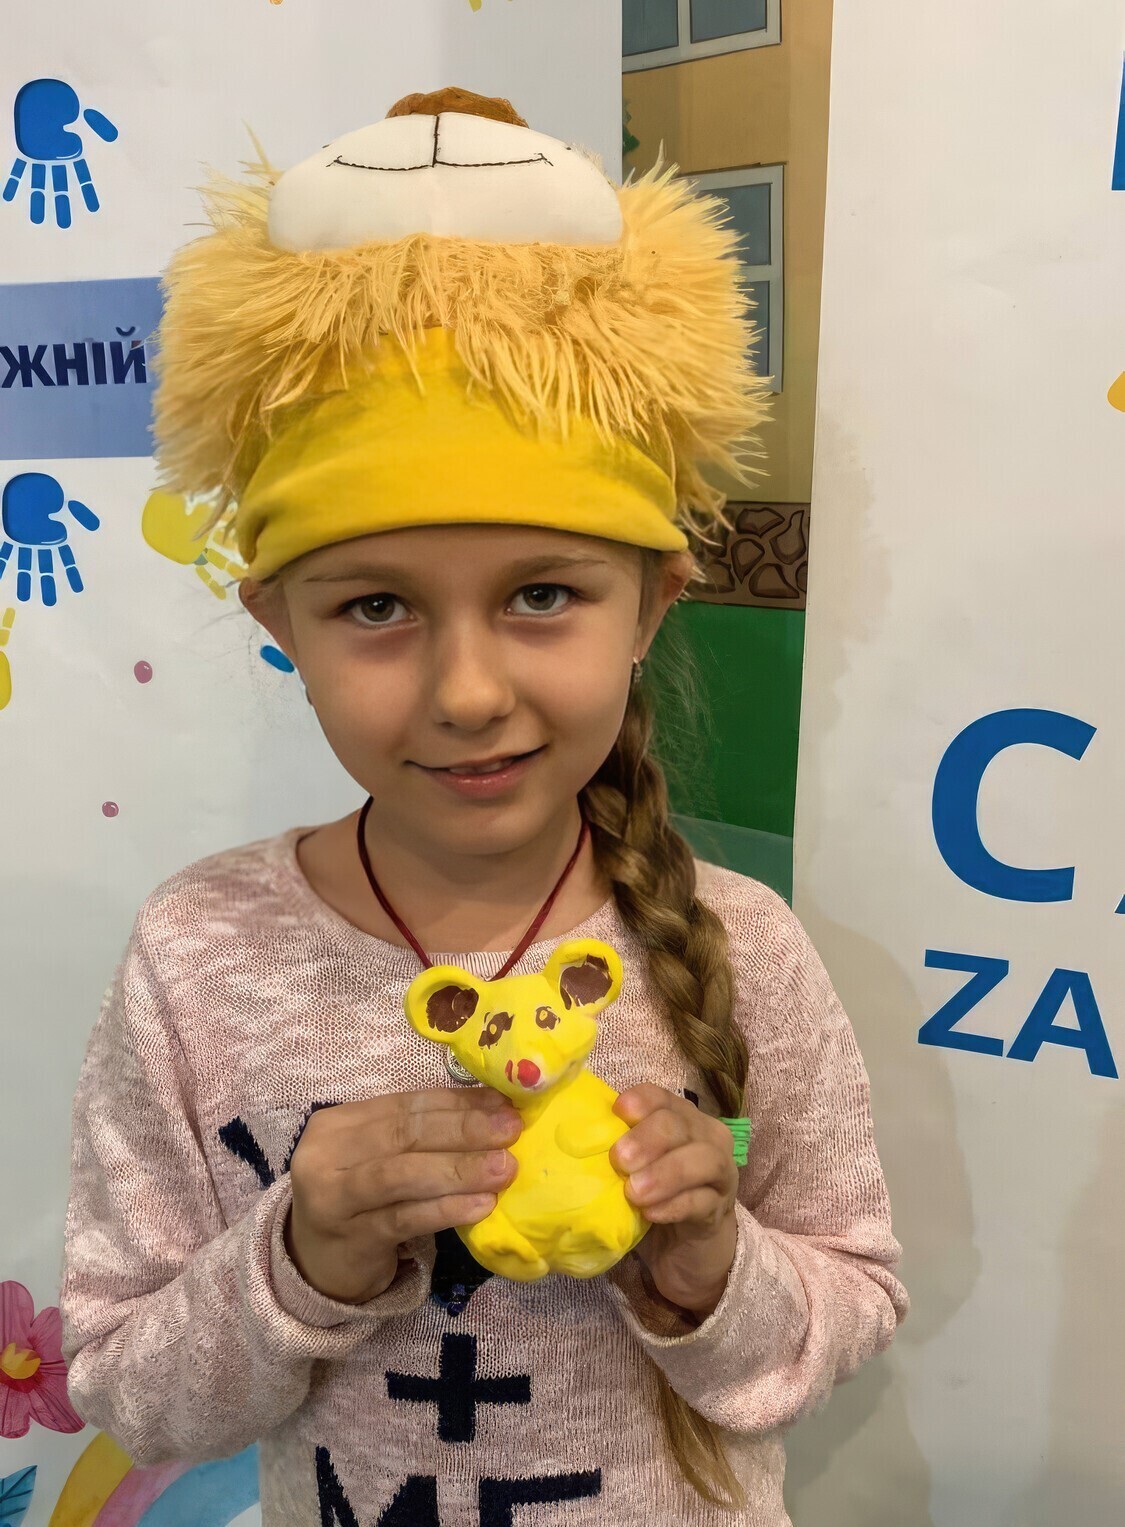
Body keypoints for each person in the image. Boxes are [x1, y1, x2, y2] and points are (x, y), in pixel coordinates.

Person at [58, 86, 908, 1526]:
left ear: (649, 605)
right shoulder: (199, 952)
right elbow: (130, 1392)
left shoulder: (739, 943)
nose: (466, 692)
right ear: (276, 618)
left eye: (541, 597)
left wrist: (711, 1269)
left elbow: (851, 1302)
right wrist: (299, 1257)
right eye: (376, 605)